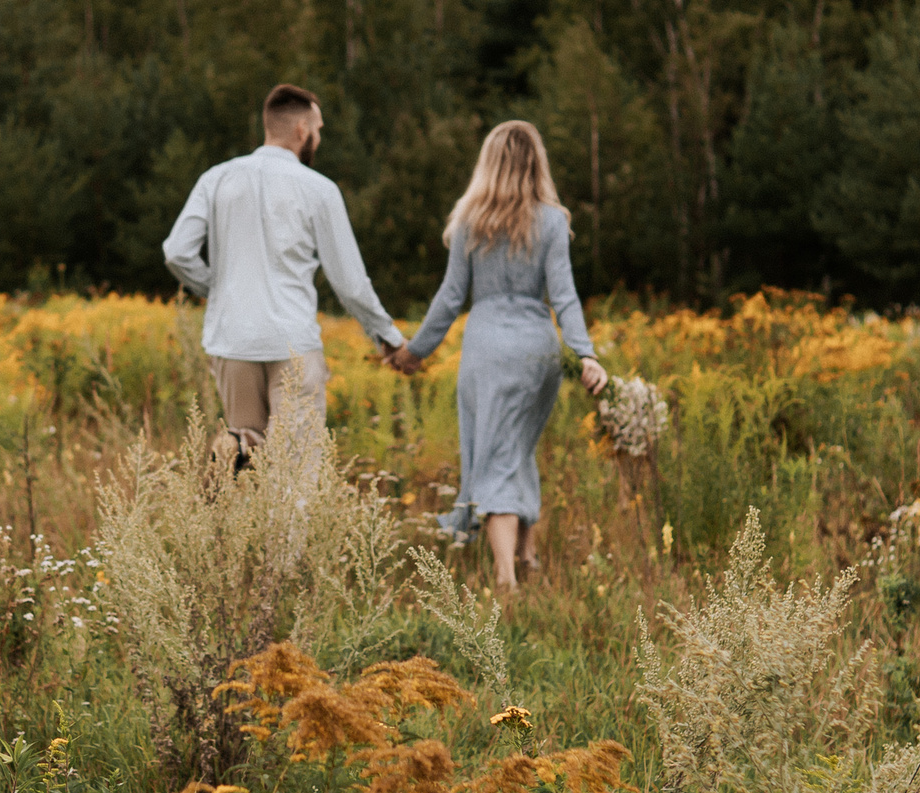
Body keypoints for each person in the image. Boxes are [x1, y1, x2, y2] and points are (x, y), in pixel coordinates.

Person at [390, 120, 606, 590]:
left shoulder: (470, 220)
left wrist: (415, 351)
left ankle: (505, 578)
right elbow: (564, 296)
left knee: (497, 456)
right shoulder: (552, 220)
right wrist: (585, 353)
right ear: (536, 163)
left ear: (488, 163)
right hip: (536, 352)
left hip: (487, 351)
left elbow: (451, 297)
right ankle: (527, 557)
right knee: (515, 449)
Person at [163, 83, 407, 455]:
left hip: (233, 342)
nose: (318, 138)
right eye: (318, 130)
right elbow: (350, 283)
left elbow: (177, 252)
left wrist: (220, 290)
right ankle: (256, 465)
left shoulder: (216, 178)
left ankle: (236, 448)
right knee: (295, 470)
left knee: (247, 465)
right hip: (293, 344)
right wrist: (388, 337)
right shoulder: (319, 189)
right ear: (302, 130)